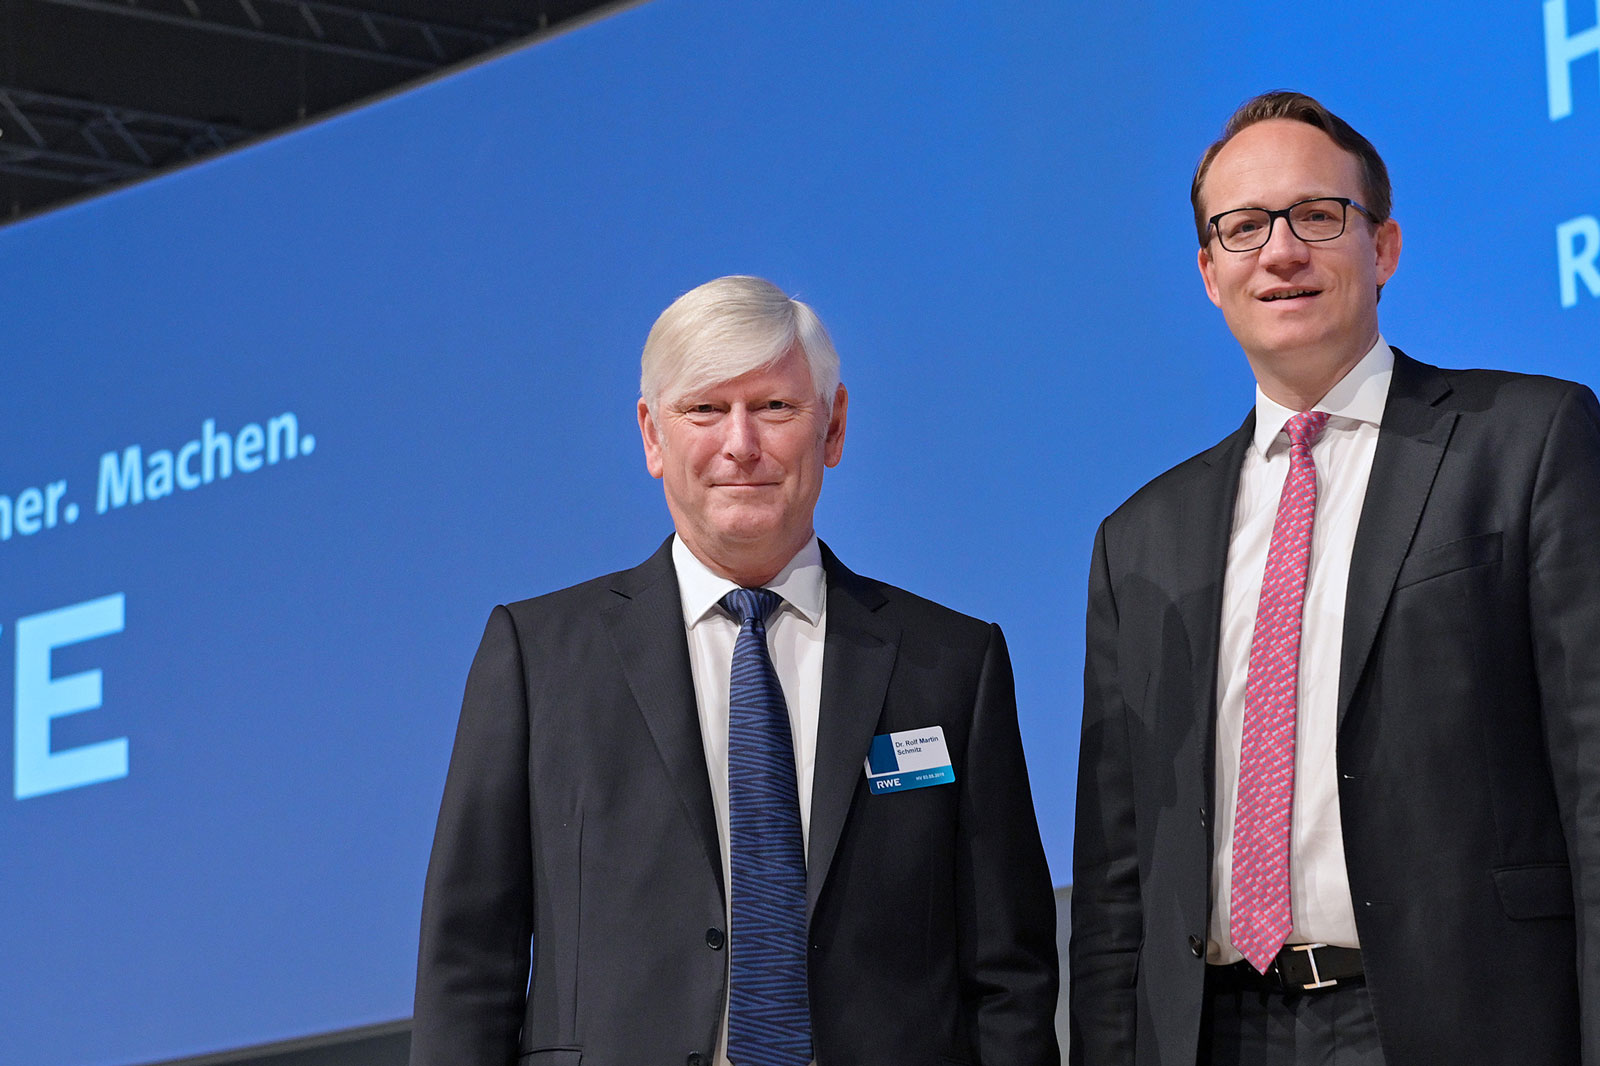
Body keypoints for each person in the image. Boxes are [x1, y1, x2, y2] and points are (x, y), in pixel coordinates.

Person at [1070, 91, 1600, 1065]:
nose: (1279, 251)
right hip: (1213, 1030)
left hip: (1451, 1023)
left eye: (1316, 216)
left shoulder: (1524, 444)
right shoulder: (1136, 537)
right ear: (1207, 273)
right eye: (1241, 228)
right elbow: (1117, 881)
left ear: (1384, 247)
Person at [411, 275, 1059, 1066]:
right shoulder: (537, 657)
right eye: (705, 410)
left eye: (776, 408)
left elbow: (1010, 977)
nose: (741, 445)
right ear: (653, 435)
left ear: (834, 427)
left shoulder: (954, 665)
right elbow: (469, 966)